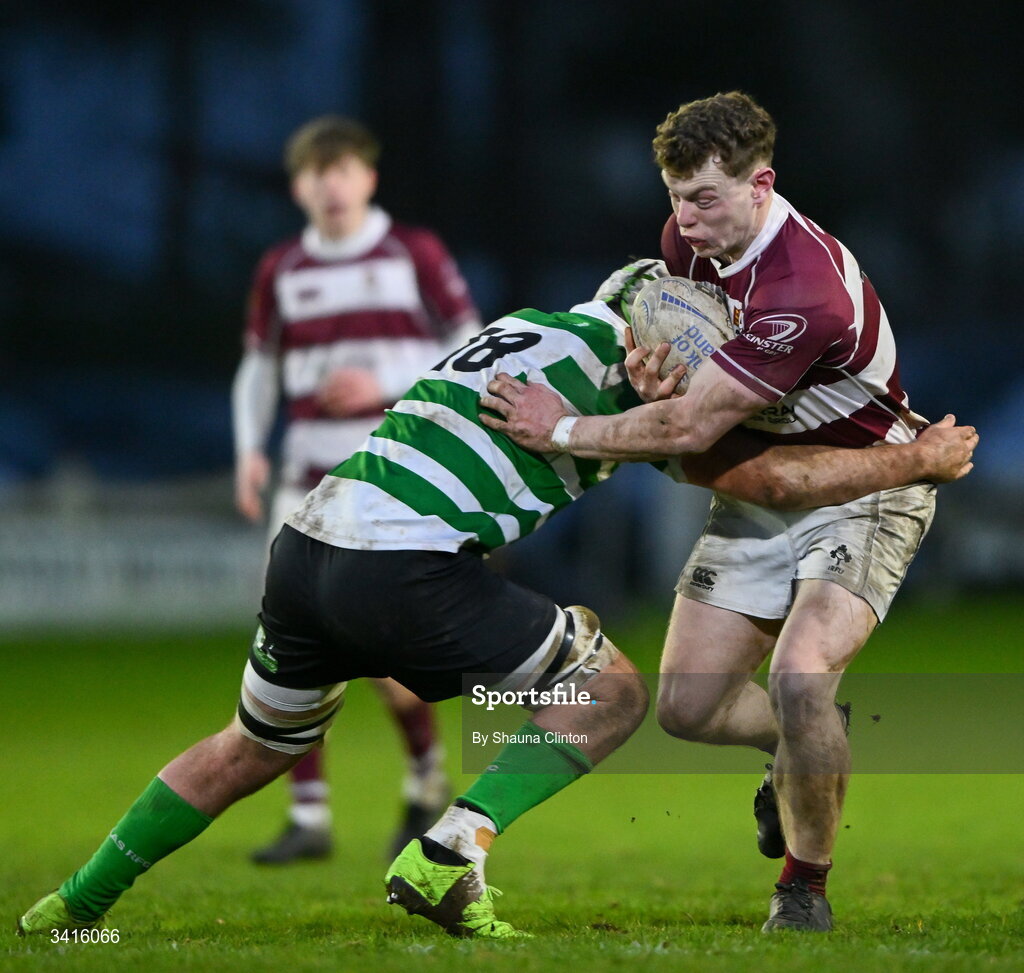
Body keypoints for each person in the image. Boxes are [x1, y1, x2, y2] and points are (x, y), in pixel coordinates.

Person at [18, 260, 974, 941]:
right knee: (610, 696)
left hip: (305, 550)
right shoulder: (636, 392)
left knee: (250, 745)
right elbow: (770, 480)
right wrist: (918, 460)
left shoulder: (528, 327)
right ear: (665, 341)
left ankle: (72, 910)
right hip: (402, 568)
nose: (711, 379)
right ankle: (448, 849)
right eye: (702, 354)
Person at [480, 92, 975, 933]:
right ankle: (807, 742)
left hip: (865, 483)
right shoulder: (690, 244)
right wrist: (656, 371)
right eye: (674, 196)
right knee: (687, 705)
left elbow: (689, 428)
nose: (685, 220)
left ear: (761, 185)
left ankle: (802, 888)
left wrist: (558, 427)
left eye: (705, 197)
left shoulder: (804, 289)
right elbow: (690, 400)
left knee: (799, 676)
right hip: (765, 477)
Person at [232, 115, 481, 863]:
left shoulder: (414, 253)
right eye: (315, 171)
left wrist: (383, 384)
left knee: (386, 660)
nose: (329, 183)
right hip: (304, 483)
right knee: (287, 644)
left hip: (393, 484)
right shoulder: (283, 267)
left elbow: (470, 345)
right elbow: (259, 366)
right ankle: (309, 816)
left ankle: (425, 778)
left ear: (368, 177)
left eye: (341, 168)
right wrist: (249, 448)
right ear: (298, 185)